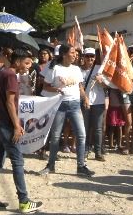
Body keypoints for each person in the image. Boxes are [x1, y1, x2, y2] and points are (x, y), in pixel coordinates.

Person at [0, 47, 43, 213]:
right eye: (27, 63)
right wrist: (16, 126)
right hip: (6, 125)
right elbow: (10, 102)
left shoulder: (3, 72)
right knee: (17, 161)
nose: (29, 66)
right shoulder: (10, 75)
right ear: (17, 61)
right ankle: (24, 201)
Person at [39, 44, 95, 177]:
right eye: (72, 52)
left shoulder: (76, 69)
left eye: (75, 53)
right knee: (55, 136)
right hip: (59, 105)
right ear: (64, 54)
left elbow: (80, 87)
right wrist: (56, 89)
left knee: (81, 135)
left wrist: (85, 98)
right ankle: (50, 165)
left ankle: (81, 166)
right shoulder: (54, 68)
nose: (75, 55)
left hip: (75, 105)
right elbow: (45, 86)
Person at [80, 48, 107, 161]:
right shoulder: (79, 70)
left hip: (98, 102)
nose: (90, 58)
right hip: (84, 102)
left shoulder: (100, 69)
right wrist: (85, 98)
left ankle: (98, 152)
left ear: (95, 58)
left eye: (92, 56)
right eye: (87, 56)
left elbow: (108, 85)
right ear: (83, 57)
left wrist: (101, 81)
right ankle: (85, 151)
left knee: (98, 128)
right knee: (85, 128)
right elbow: (79, 87)